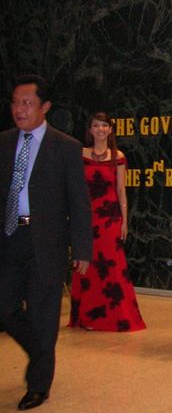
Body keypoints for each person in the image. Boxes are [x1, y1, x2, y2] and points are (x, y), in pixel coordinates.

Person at [0, 74, 92, 410]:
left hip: (47, 242)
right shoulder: (3, 142)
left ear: (45, 107)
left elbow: (79, 202)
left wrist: (82, 249)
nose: (19, 109)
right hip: (10, 237)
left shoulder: (65, 147)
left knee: (42, 314)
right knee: (5, 307)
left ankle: (39, 385)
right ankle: (40, 353)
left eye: (27, 103)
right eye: (15, 102)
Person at [68, 112, 146, 332]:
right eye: (96, 125)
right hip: (86, 217)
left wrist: (124, 221)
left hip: (110, 218)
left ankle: (115, 317)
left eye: (104, 125)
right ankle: (88, 316)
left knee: (111, 266)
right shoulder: (79, 154)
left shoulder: (117, 156)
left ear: (110, 130)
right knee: (87, 265)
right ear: (90, 130)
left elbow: (121, 190)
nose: (100, 129)